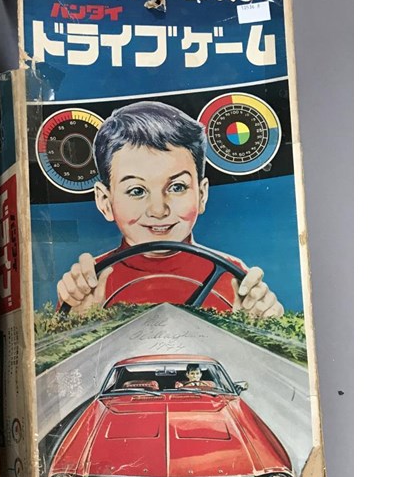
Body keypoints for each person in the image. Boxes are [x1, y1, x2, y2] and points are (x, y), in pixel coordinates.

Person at [56, 101, 283, 318]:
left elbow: (258, 340)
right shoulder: (88, 285)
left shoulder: (233, 278)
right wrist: (79, 319)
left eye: (177, 187)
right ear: (105, 201)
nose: (159, 210)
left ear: (202, 195)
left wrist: (264, 321)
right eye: (136, 191)